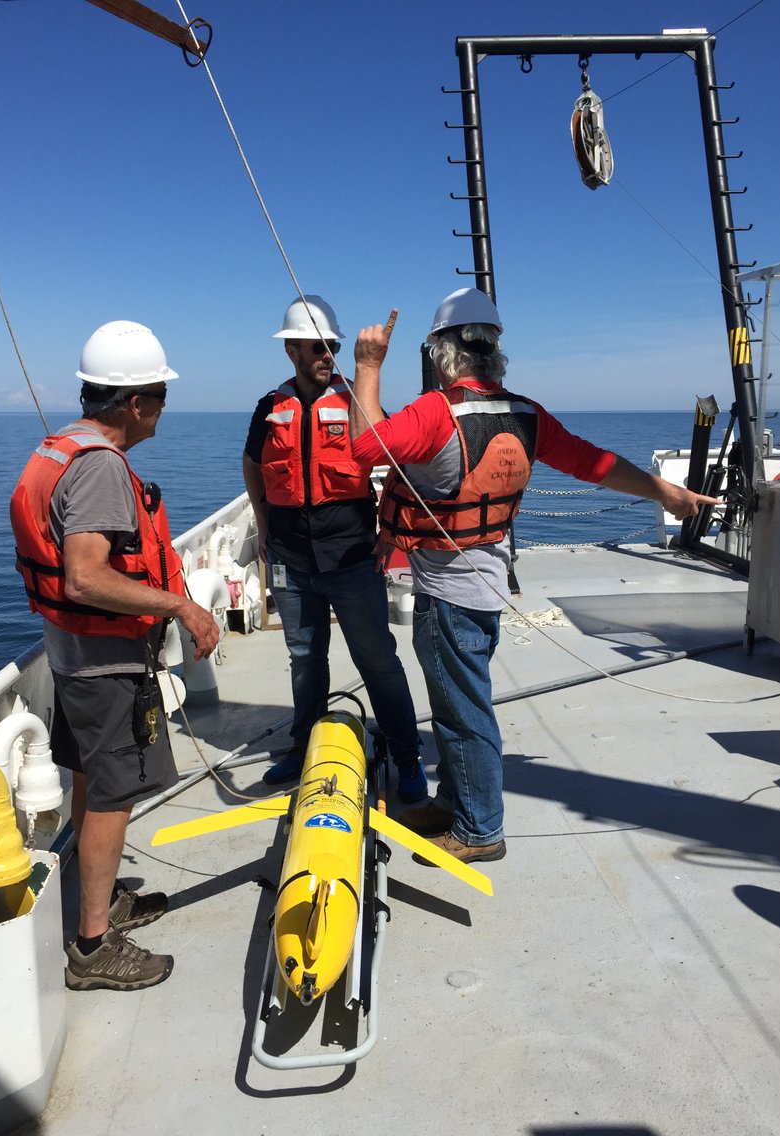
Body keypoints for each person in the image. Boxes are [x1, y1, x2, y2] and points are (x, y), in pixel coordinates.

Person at [349, 288, 718, 864]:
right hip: (488, 582)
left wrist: (368, 366)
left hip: (448, 595)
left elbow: (364, 447)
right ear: (494, 351)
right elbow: (595, 463)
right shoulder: (526, 414)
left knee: (464, 712)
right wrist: (663, 489)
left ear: (441, 354)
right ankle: (456, 801)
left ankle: (479, 831)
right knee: (458, 705)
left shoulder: (433, 412)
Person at [10, 320, 219, 990]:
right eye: (159, 394)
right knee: (113, 796)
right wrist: (179, 606)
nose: (162, 407)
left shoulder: (60, 449)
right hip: (104, 666)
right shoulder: (100, 468)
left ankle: (100, 903)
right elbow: (86, 577)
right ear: (135, 403)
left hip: (74, 656)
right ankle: (94, 946)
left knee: (93, 782)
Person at [242, 294, 426, 800]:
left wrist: (389, 534)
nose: (328, 355)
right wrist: (263, 525)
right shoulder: (268, 408)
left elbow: (397, 467)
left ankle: (408, 757)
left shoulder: (355, 402)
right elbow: (253, 463)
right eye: (318, 347)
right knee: (305, 659)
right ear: (292, 352)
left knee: (377, 659)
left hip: (351, 557)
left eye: (334, 346)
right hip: (291, 559)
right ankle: (303, 749)